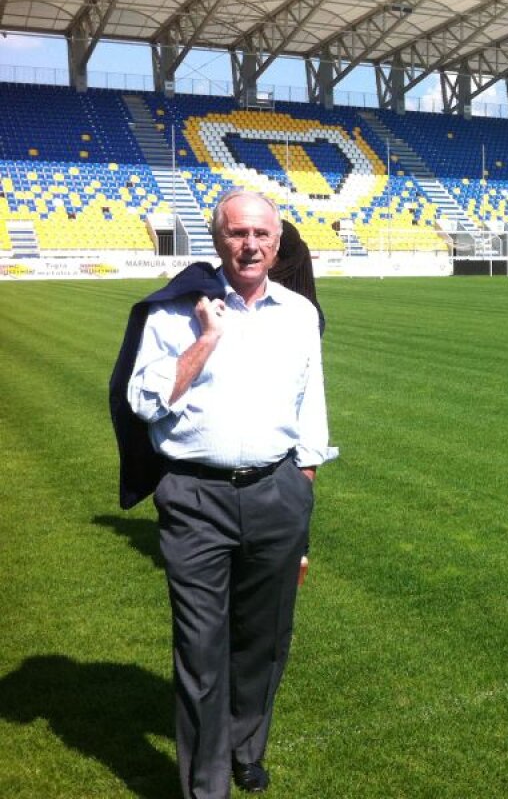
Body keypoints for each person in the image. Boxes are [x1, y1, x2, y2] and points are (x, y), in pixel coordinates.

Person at [120, 188, 335, 798]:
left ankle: (246, 746)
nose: (250, 245)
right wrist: (206, 338)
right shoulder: (176, 311)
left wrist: (303, 484)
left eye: (261, 234)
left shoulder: (298, 313)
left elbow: (311, 404)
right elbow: (143, 402)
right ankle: (205, 785)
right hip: (195, 498)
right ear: (218, 239)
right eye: (238, 233)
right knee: (200, 648)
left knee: (264, 641)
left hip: (277, 493)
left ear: (277, 243)